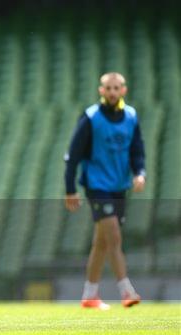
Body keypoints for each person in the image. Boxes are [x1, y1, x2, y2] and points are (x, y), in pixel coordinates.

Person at [64, 72, 145, 310]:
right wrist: (71, 189)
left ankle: (90, 295)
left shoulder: (131, 116)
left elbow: (137, 151)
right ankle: (126, 290)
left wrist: (140, 173)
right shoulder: (91, 118)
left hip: (119, 185)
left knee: (101, 242)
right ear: (101, 91)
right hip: (97, 185)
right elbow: (73, 155)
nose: (112, 92)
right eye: (108, 88)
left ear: (123, 90)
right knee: (114, 236)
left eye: (116, 88)